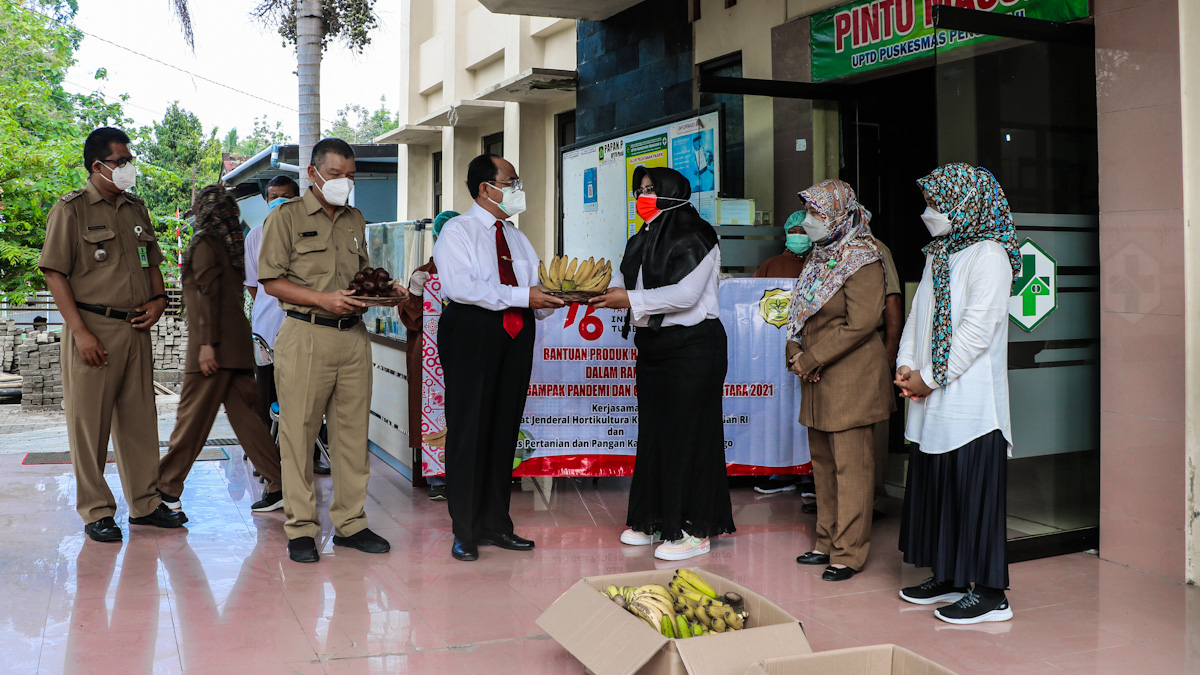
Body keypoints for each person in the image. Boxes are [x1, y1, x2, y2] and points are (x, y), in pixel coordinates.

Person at [258, 137, 407, 563]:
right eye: (337, 175)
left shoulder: (354, 218)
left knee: (352, 434)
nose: (345, 183)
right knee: (299, 434)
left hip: (353, 335)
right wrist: (323, 299)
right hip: (306, 334)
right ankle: (301, 527)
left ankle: (351, 523)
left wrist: (386, 289)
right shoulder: (285, 218)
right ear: (314, 174)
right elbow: (271, 281)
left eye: (351, 176)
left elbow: (360, 276)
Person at [39, 126, 186, 542]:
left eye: (129, 160)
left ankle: (146, 503)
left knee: (139, 421)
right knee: (90, 425)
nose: (128, 168)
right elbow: (55, 273)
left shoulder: (135, 208)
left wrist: (159, 301)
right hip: (94, 328)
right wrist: (81, 333)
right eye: (121, 161)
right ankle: (97, 510)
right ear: (97, 165)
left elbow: (151, 260)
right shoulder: (71, 210)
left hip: (137, 326)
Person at [591, 166, 735, 561]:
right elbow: (632, 287)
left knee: (688, 435)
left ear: (673, 192)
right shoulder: (643, 239)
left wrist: (630, 302)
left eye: (651, 189)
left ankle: (693, 529)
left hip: (693, 348)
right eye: (640, 190)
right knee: (655, 434)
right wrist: (602, 294)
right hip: (654, 347)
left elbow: (685, 295)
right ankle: (654, 520)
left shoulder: (697, 236)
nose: (643, 196)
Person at [895, 163, 1017, 624]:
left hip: (972, 403)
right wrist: (908, 365)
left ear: (967, 204)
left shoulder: (990, 255)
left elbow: (976, 331)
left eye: (938, 202)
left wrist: (931, 376)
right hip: (933, 393)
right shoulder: (939, 254)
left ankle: (989, 595)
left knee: (973, 493)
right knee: (939, 487)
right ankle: (947, 576)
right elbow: (917, 317)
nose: (930, 211)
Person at [433, 153, 564, 562]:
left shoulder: (516, 237)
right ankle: (465, 530)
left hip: (516, 335)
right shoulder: (458, 231)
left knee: (504, 427)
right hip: (473, 331)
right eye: (511, 181)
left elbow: (532, 288)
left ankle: (496, 524)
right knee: (470, 428)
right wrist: (526, 297)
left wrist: (552, 299)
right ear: (486, 188)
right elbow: (463, 287)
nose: (517, 189)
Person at [787, 179, 891, 581]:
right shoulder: (820, 256)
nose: (809, 222)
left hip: (850, 378)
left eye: (816, 212)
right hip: (815, 379)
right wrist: (794, 351)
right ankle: (825, 541)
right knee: (825, 466)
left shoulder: (863, 256)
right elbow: (800, 313)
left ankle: (848, 553)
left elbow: (862, 323)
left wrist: (811, 357)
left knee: (853, 469)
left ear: (838, 213)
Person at [157, 186, 284, 516]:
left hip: (212, 349)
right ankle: (280, 483)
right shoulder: (232, 243)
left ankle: (167, 489)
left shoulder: (205, 243)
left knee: (191, 421)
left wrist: (205, 346)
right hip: (237, 346)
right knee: (250, 422)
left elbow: (204, 298)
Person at [243, 176, 331, 476]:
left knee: (310, 394)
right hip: (268, 328)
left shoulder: (310, 232)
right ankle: (269, 461)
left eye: (284, 195)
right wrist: (273, 307)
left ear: (297, 199)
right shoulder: (256, 235)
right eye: (272, 196)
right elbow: (254, 286)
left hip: (308, 327)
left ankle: (312, 455)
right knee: (267, 395)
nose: (277, 200)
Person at [753, 210, 813, 497]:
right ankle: (780, 472)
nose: (799, 236)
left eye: (805, 230)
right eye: (795, 230)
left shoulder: (820, 265)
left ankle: (811, 477)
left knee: (810, 412)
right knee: (779, 412)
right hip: (773, 353)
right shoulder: (770, 266)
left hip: (812, 352)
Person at [399, 210, 458, 501]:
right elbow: (412, 319)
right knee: (433, 413)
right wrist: (414, 294)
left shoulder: (472, 270)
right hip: (430, 358)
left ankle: (466, 472)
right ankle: (436, 477)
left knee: (465, 411)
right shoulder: (423, 273)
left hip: (468, 354)